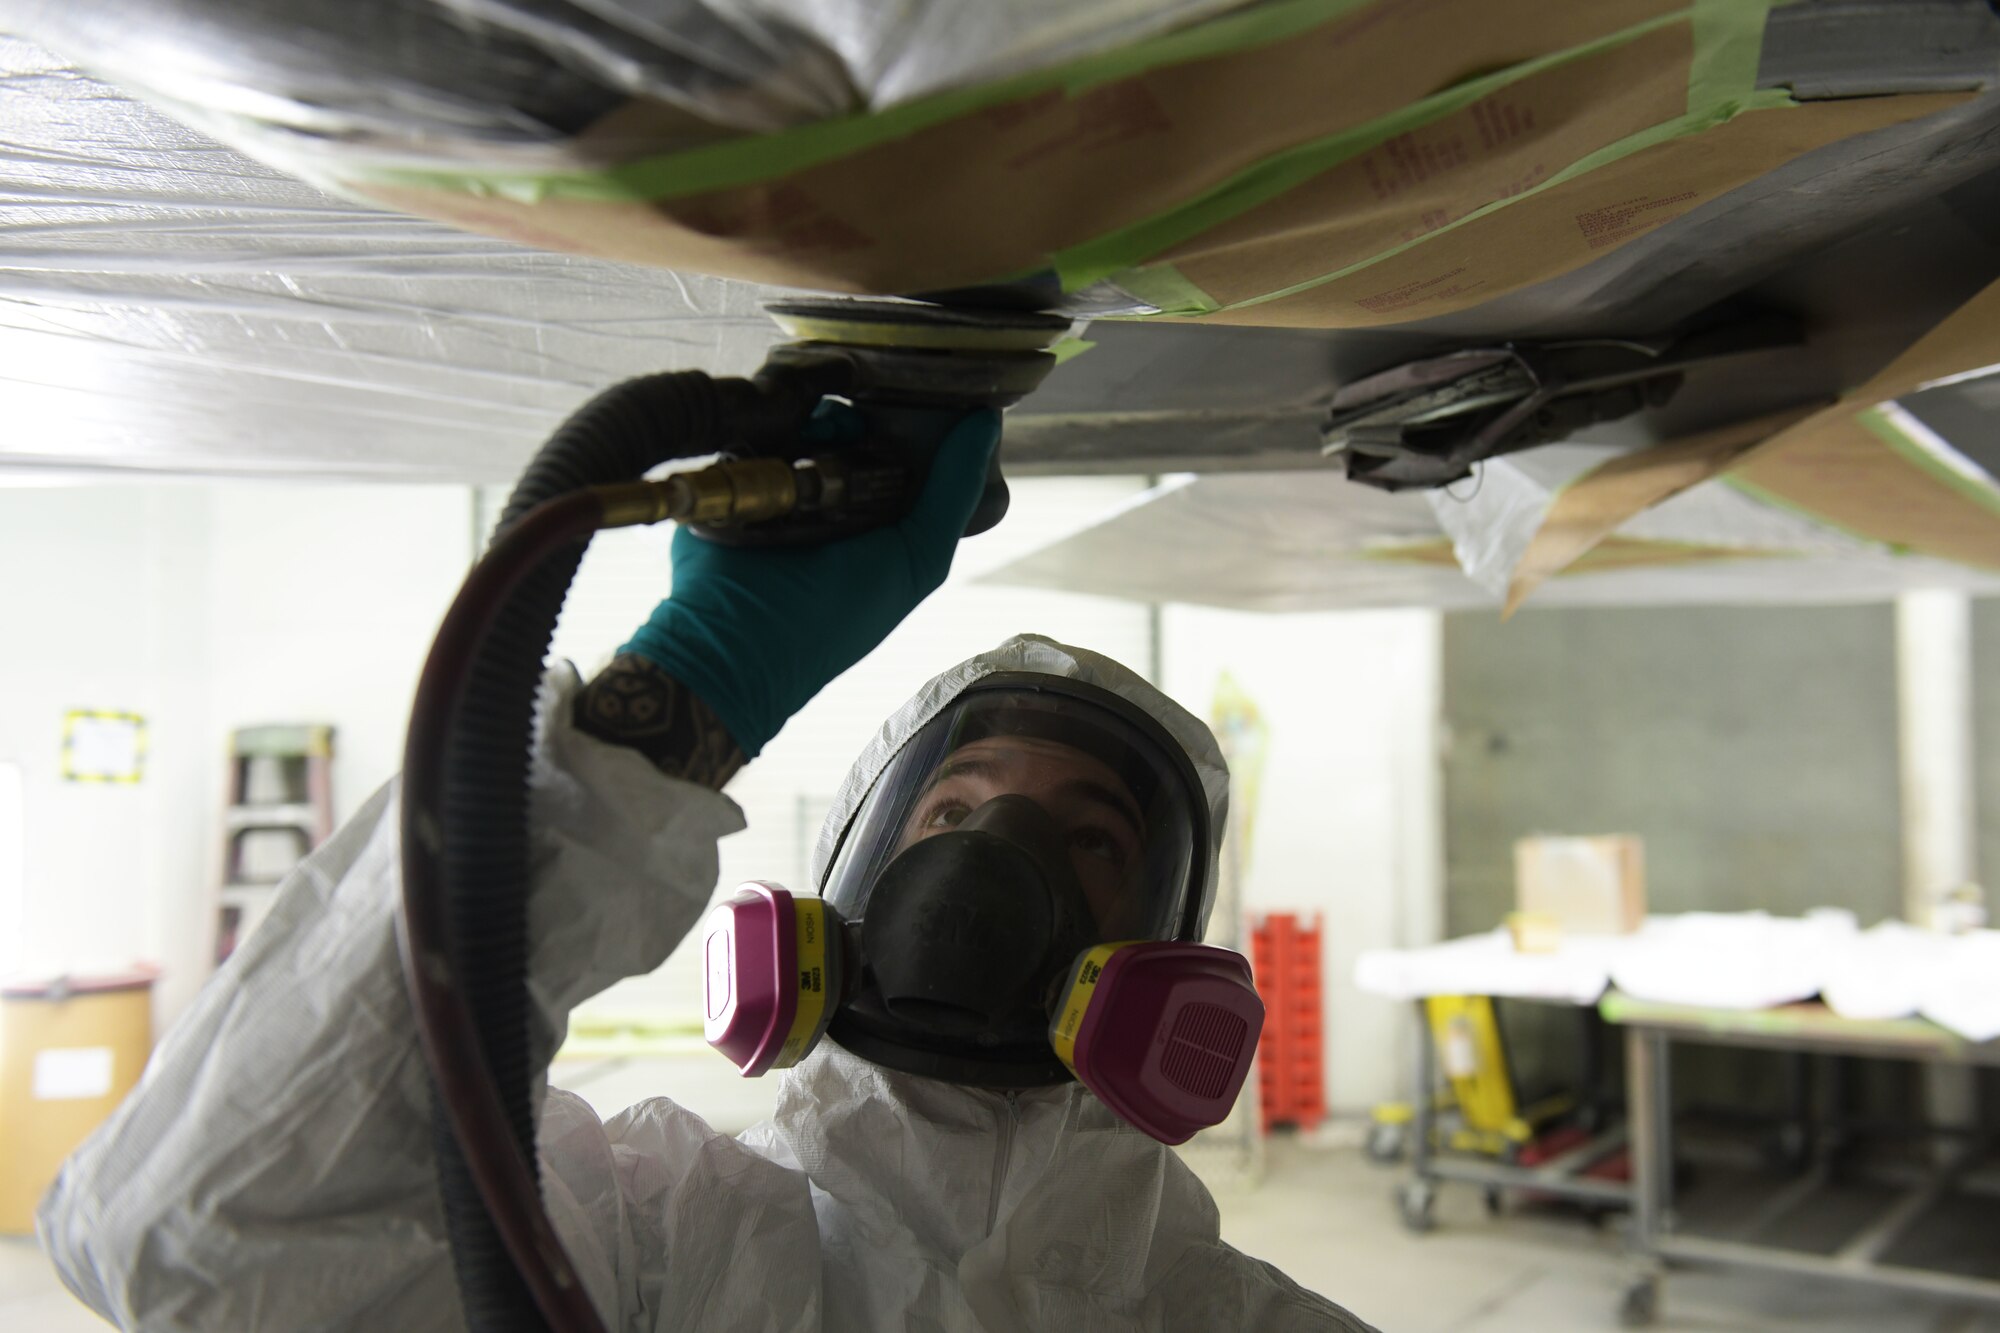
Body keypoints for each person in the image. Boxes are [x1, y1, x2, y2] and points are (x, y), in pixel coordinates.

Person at [41, 411, 1372, 1331]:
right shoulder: (649, 1237)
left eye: (1089, 838)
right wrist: (686, 693)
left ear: (1158, 949)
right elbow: (200, 1238)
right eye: (952, 807)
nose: (989, 865)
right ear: (840, 898)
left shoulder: (1230, 1314)